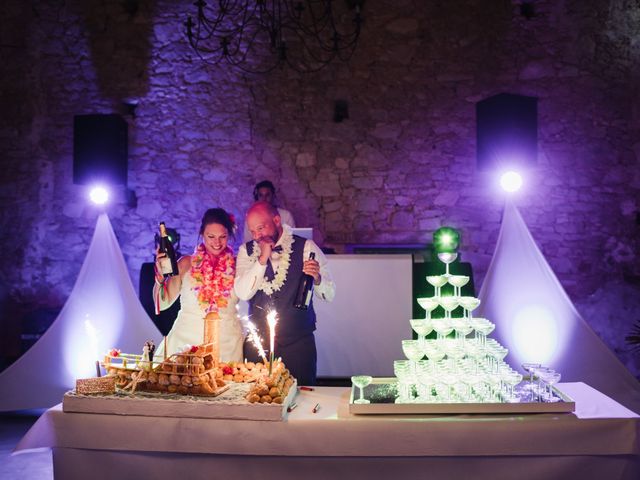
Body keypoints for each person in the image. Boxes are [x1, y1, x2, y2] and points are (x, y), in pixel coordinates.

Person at [235, 201, 334, 385]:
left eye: (261, 228)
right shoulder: (246, 252)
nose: (257, 236)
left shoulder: (307, 247)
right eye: (252, 231)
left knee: (303, 399)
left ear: (277, 220)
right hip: (258, 345)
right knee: (257, 401)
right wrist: (262, 259)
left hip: (298, 343)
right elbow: (242, 293)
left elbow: (330, 293)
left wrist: (318, 278)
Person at [153, 208, 243, 362]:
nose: (217, 242)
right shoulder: (186, 263)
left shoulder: (238, 265)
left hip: (227, 347)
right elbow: (163, 303)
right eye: (211, 236)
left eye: (223, 236)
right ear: (202, 234)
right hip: (184, 345)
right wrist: (160, 277)